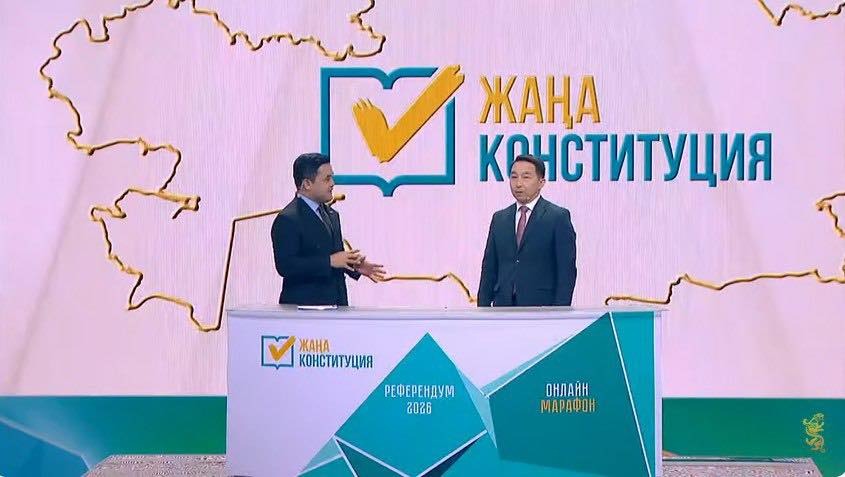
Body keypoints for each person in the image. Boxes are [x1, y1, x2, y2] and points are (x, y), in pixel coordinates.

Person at [271, 153, 385, 305]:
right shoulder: (288, 219)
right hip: (304, 308)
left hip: (336, 304)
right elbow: (286, 266)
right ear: (307, 184)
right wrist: (328, 261)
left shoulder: (331, 214)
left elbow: (334, 256)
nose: (332, 183)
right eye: (327, 179)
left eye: (332, 177)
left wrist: (354, 266)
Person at [477, 154, 577, 307]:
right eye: (514, 177)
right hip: (503, 308)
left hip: (542, 308)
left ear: (541, 182)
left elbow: (566, 272)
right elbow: (489, 269)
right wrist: (482, 309)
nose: (518, 184)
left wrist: (560, 312)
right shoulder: (500, 219)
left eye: (526, 177)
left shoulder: (557, 217)